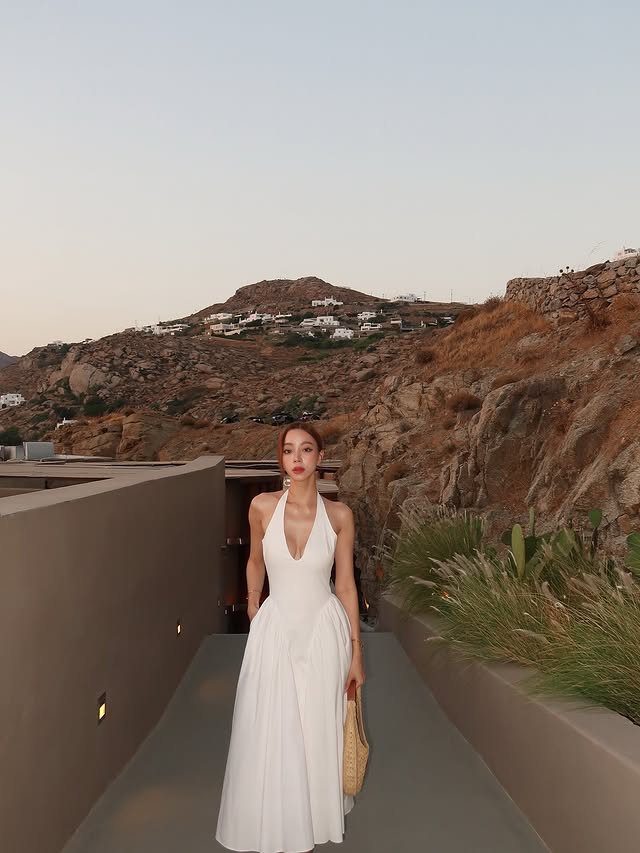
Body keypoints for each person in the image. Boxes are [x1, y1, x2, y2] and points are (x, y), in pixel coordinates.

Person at [216, 423, 366, 853]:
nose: (297, 458)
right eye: (288, 450)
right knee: (267, 725)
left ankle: (312, 820)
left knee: (316, 725)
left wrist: (355, 653)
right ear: (280, 458)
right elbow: (255, 561)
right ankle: (273, 818)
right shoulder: (261, 507)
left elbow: (346, 586)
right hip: (275, 629)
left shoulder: (340, 516)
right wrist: (253, 603)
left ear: (320, 456)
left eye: (306, 449)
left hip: (323, 632)